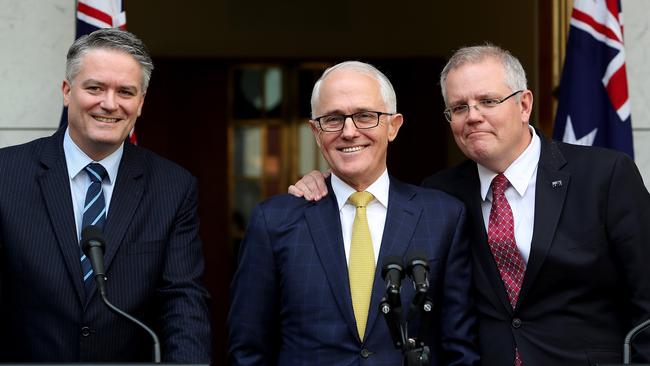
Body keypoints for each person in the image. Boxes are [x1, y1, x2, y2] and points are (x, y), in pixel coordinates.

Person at [289, 45, 650, 365]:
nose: (473, 115)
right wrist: (326, 182)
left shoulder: (605, 175)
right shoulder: (441, 195)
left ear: (524, 105)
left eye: (488, 101)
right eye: (459, 107)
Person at [228, 61, 479, 365]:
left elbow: (460, 349)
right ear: (315, 131)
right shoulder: (275, 221)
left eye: (364, 116)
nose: (349, 132)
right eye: (333, 119)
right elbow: (249, 349)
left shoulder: (443, 217)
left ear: (393, 126)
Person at [0, 28, 211, 362]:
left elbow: (182, 302)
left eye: (125, 92)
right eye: (95, 88)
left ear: (140, 103)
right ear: (67, 91)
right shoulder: (5, 174)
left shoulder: (173, 187)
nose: (109, 104)